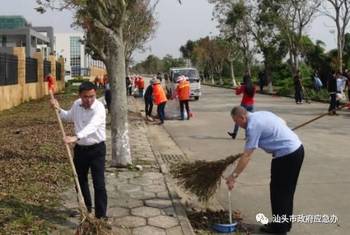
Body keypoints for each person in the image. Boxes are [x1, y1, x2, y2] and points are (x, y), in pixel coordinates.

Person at [226, 106, 304, 234]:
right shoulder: (261, 114)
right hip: (297, 150)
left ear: (242, 117)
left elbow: (247, 155)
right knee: (287, 191)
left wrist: (233, 176)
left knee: (279, 192)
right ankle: (284, 224)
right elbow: (282, 122)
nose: (237, 125)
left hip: (286, 156)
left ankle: (279, 228)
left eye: (236, 121)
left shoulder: (252, 127)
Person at [50, 81, 108, 220]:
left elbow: (92, 126)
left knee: (99, 183)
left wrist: (76, 137)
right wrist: (58, 109)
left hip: (97, 150)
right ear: (80, 95)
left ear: (95, 94)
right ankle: (86, 210)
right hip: (81, 150)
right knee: (80, 181)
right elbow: (67, 116)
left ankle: (101, 216)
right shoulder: (77, 104)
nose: (89, 100)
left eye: (92, 96)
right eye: (85, 97)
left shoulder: (99, 108)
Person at [228, 75, 256, 139]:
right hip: (251, 104)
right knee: (249, 120)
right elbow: (253, 95)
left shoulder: (244, 87)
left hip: (244, 104)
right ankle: (247, 136)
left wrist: (238, 87)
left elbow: (237, 93)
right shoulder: (253, 87)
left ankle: (234, 134)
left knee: (238, 119)